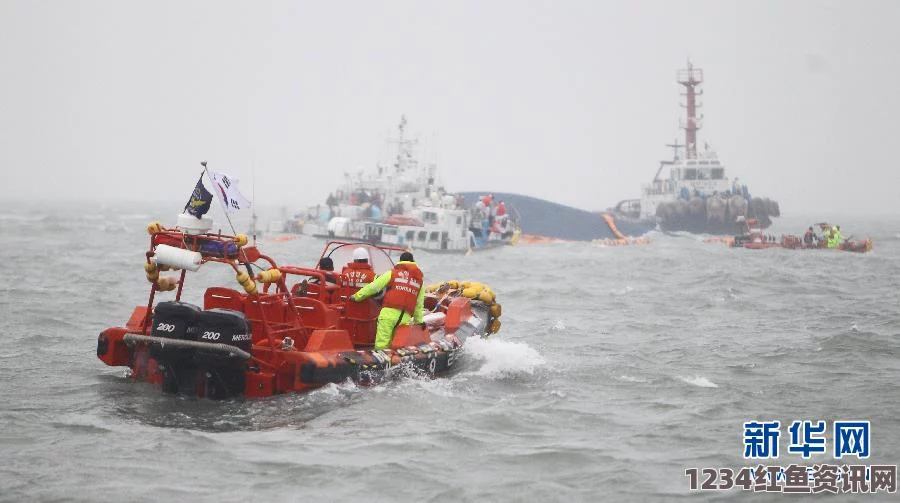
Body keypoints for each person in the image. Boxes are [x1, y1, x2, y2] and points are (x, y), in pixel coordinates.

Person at [350, 251, 425, 351]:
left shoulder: (393, 273)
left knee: (382, 345)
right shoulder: (419, 280)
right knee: (397, 346)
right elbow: (418, 304)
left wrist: (357, 296)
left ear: (400, 261)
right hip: (405, 318)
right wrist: (418, 322)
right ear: (413, 262)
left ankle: (380, 363)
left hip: (388, 314)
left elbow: (374, 286)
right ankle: (396, 363)